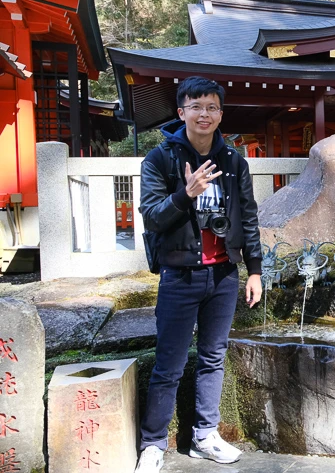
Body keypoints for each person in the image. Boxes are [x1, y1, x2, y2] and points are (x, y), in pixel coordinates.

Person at [134, 76, 262, 473]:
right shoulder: (160, 159)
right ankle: (153, 443)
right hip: (180, 274)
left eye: (211, 107)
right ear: (181, 112)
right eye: (196, 106)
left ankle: (205, 435)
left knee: (213, 357)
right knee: (169, 362)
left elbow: (250, 217)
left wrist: (254, 271)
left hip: (224, 273)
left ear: (220, 114)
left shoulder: (234, 161)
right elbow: (152, 217)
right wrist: (185, 194)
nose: (203, 114)